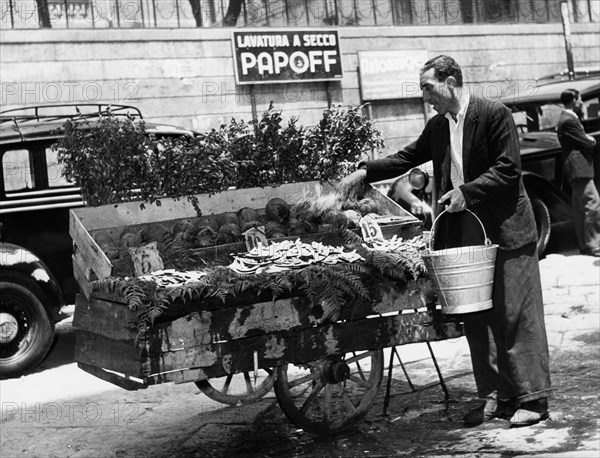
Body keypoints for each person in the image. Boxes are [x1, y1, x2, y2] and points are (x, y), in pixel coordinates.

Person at [339, 55, 551, 427]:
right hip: (466, 232)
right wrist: (364, 171)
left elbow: (508, 168)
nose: (425, 96)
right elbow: (408, 157)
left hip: (508, 228)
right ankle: (496, 397)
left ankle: (532, 399)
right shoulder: (438, 126)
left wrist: (466, 193)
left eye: (428, 87)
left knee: (516, 314)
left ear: (451, 82)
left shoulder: (493, 113)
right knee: (478, 316)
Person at [556, 89, 600, 257]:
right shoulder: (568, 120)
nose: (582, 102)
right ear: (573, 100)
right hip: (579, 168)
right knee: (593, 203)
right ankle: (593, 244)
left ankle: (584, 244)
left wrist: (587, 138)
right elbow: (586, 143)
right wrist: (590, 140)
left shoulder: (568, 119)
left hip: (577, 168)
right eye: (580, 99)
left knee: (580, 208)